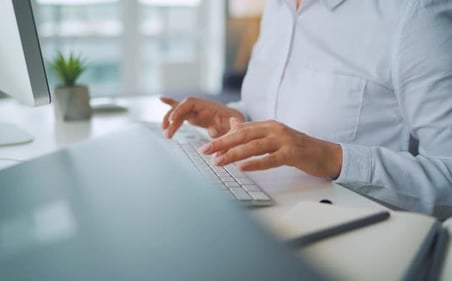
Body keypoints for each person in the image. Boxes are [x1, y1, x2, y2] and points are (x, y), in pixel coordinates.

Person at [161, 0, 452, 218]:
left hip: (356, 239)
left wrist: (331, 157)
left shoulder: (414, 14)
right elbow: (278, 112)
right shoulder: (277, 8)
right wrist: (235, 118)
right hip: (257, 214)